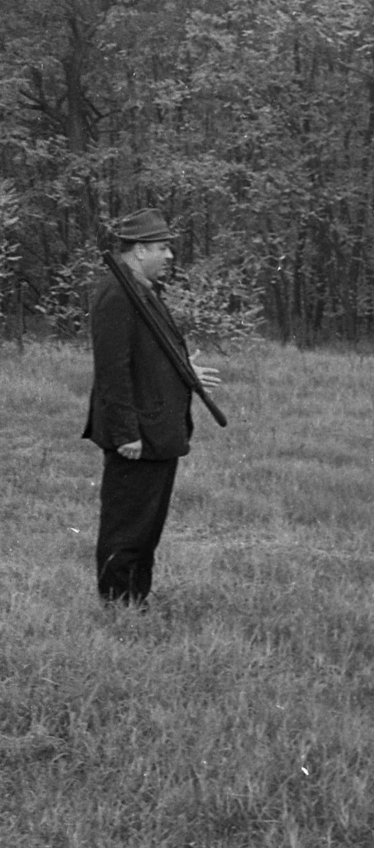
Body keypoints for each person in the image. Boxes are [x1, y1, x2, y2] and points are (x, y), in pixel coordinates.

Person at [84, 208, 221, 606]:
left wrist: (184, 369)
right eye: (163, 248)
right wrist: (126, 433)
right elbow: (112, 370)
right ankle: (117, 606)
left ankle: (135, 601)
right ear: (140, 250)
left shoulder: (142, 290)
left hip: (157, 431)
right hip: (138, 436)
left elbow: (145, 355)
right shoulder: (117, 294)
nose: (169, 256)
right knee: (127, 528)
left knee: (146, 528)